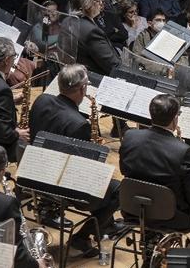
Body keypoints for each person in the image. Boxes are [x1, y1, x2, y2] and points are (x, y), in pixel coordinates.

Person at [27, 63, 121, 255]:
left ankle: (106, 225)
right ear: (82, 88)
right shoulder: (79, 124)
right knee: (119, 189)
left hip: (34, 171)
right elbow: (80, 171)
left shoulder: (41, 100)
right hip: (59, 184)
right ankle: (82, 237)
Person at [119, 94, 190, 231]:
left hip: (132, 208)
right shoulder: (183, 151)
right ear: (175, 119)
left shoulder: (130, 136)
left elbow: (124, 170)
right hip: (170, 217)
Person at [62, 0, 120, 76]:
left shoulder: (67, 21)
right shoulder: (91, 31)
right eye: (97, 0)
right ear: (86, 4)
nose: (101, 3)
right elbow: (112, 65)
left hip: (74, 75)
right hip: (94, 79)